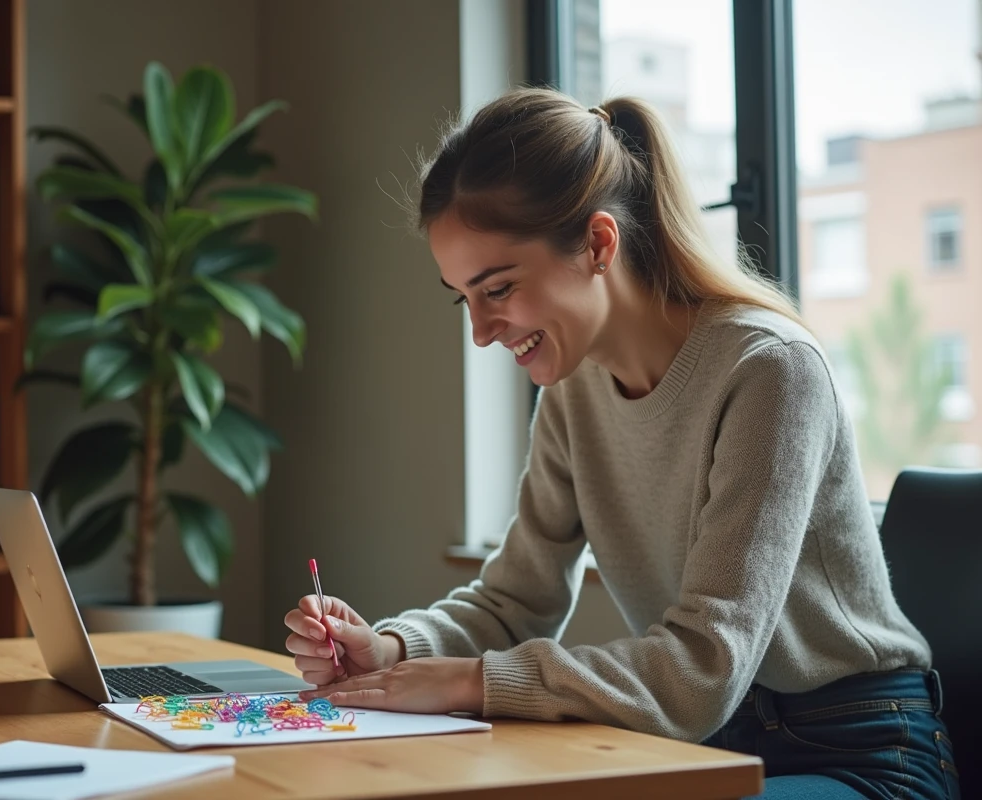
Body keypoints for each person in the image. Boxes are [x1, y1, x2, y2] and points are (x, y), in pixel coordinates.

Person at [282, 88, 961, 800]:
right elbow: (514, 603)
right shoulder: (572, 393)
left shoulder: (770, 369)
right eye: (465, 298)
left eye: (499, 289)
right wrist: (391, 651)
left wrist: (467, 679)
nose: (481, 332)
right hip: (696, 751)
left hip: (859, 753)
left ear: (600, 244)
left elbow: (703, 668)